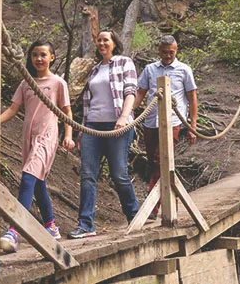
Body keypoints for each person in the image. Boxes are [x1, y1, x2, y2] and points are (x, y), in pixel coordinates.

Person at [0, 40, 75, 254]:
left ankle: (14, 230)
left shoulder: (58, 83)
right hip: (28, 137)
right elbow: (13, 109)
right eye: (34, 55)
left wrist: (68, 135)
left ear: (52, 57)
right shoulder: (26, 83)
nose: (39, 59)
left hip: (47, 136)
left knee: (28, 178)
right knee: (38, 181)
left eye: (43, 54)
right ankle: (50, 225)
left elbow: (66, 112)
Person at [68, 29, 140, 239]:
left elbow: (130, 92)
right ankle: (86, 224)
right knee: (88, 175)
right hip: (92, 127)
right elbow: (88, 103)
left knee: (119, 174)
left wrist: (124, 117)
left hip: (117, 124)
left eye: (105, 40)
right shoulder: (94, 70)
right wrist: (82, 130)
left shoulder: (124, 62)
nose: (101, 43)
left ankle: (134, 215)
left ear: (114, 43)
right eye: (98, 40)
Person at [134, 35, 198, 219]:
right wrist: (129, 113)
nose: (167, 55)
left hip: (173, 121)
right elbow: (140, 93)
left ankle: (152, 208)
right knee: (154, 162)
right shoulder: (150, 69)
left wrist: (192, 126)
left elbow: (192, 98)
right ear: (159, 51)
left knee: (160, 160)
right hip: (150, 121)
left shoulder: (184, 70)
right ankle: (172, 203)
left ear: (176, 51)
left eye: (171, 52)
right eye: (164, 52)